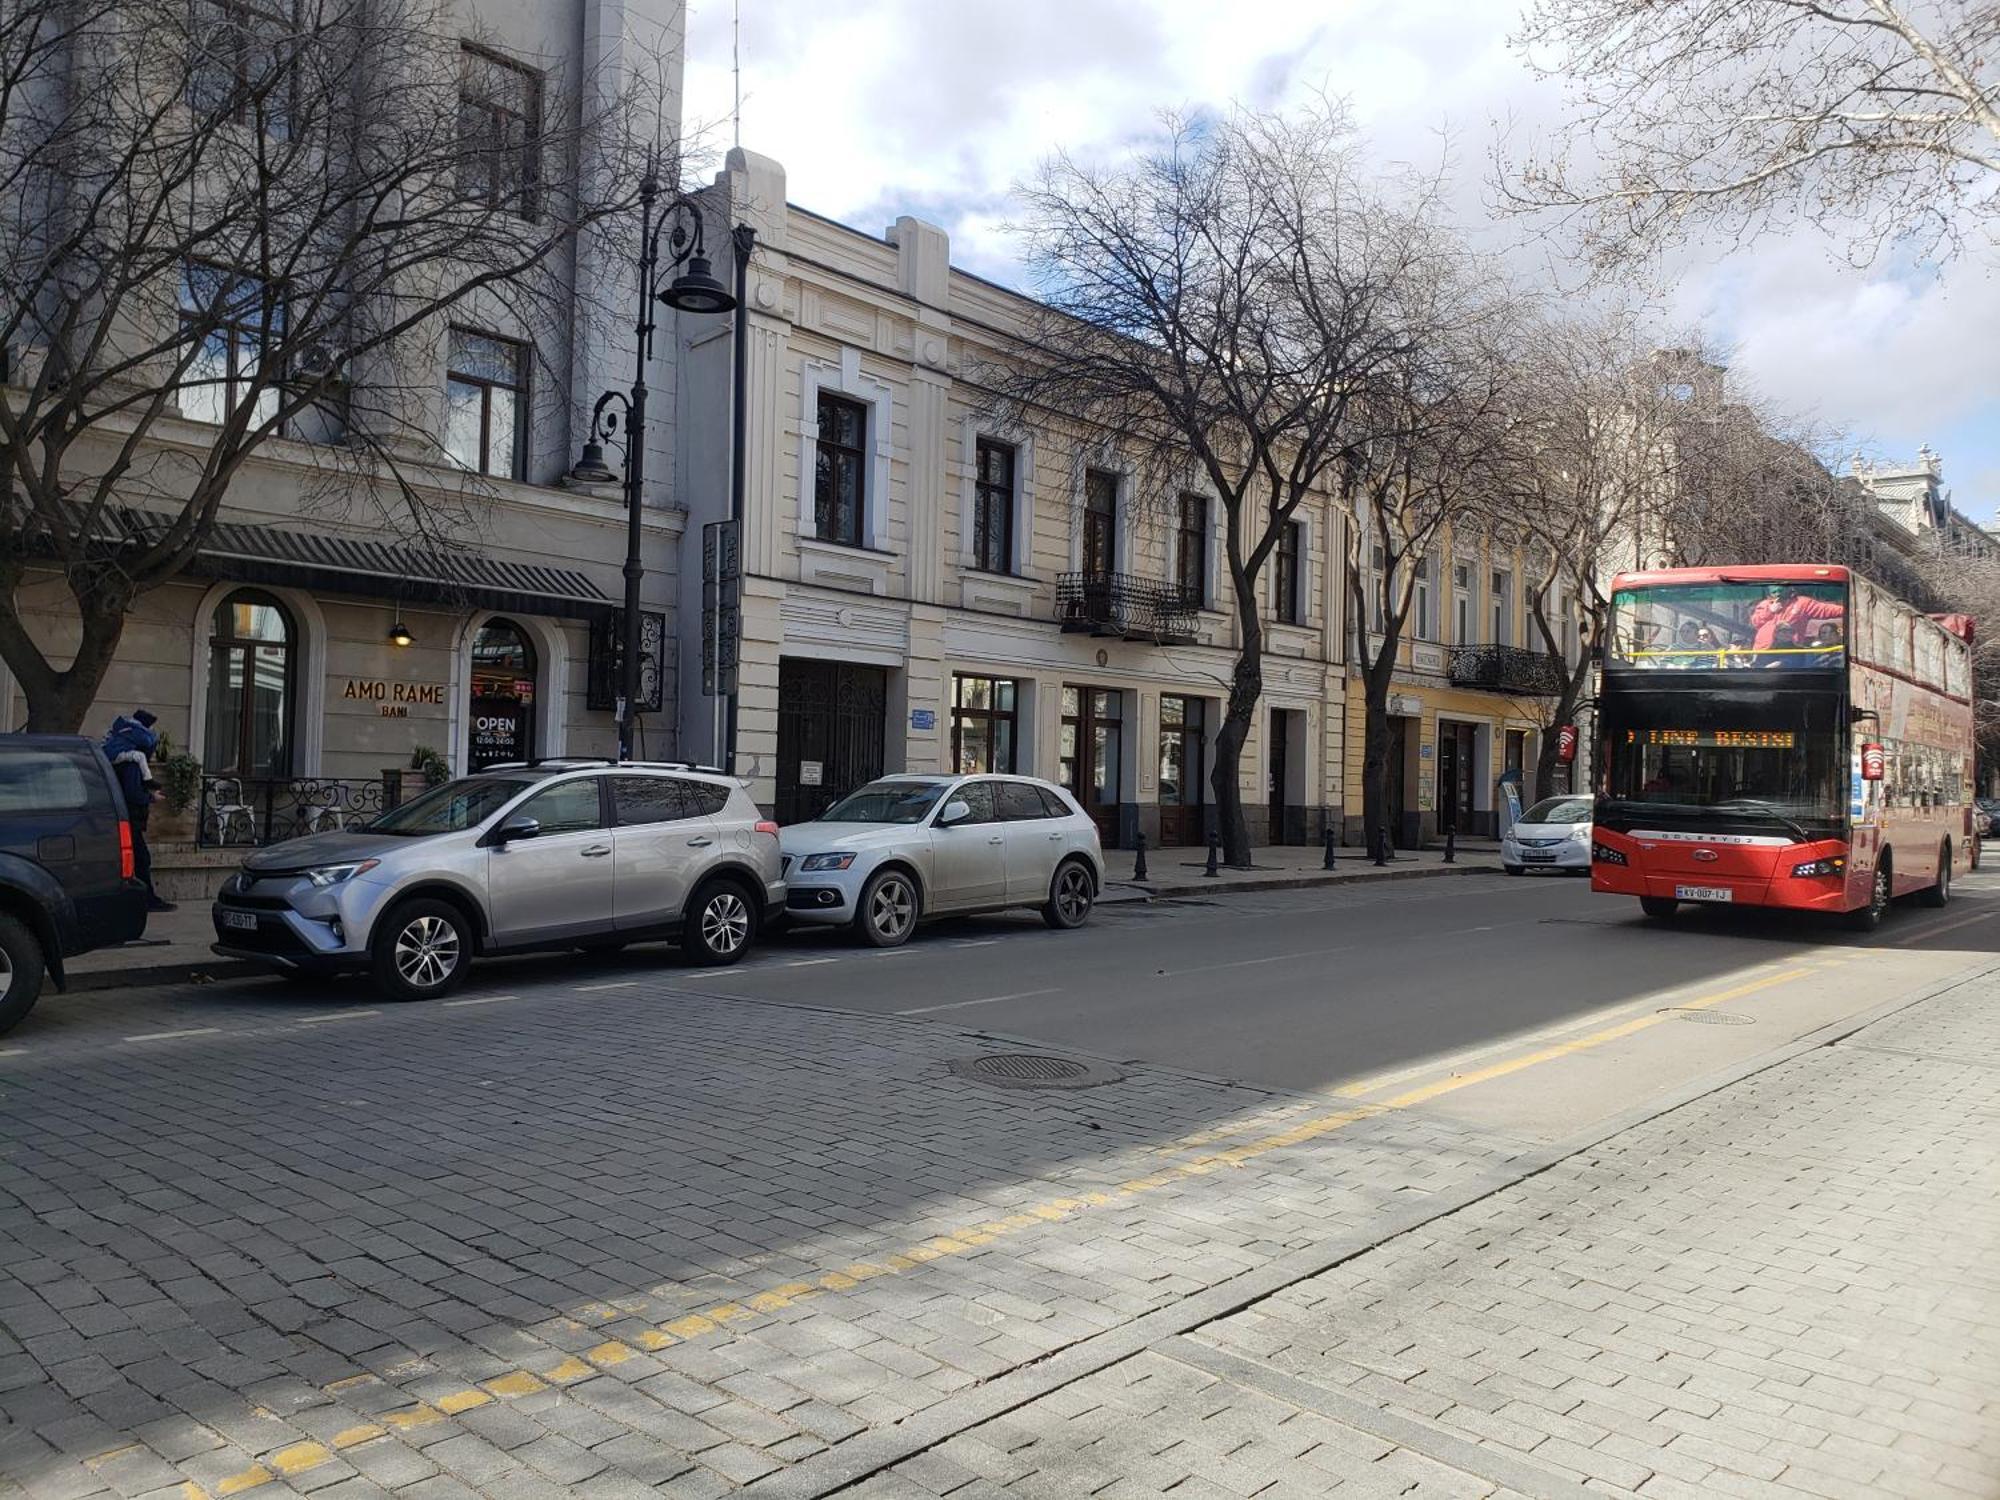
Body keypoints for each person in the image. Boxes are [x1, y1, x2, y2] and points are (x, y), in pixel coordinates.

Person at [101, 709, 175, 913]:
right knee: (141, 859)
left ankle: (138, 898)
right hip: (130, 818)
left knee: (134, 859)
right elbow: (133, 794)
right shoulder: (132, 764)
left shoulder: (120, 759)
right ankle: (146, 899)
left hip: (124, 817)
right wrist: (152, 797)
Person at [1747, 583, 1844, 651]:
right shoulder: (1764, 605)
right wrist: (1770, 611)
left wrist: (1849, 610)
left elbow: (1825, 609)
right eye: (1774, 591)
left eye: (1780, 590)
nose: (1777, 594)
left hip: (1791, 651)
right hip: (1763, 651)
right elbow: (1755, 622)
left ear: (1789, 589)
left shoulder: (1802, 603)